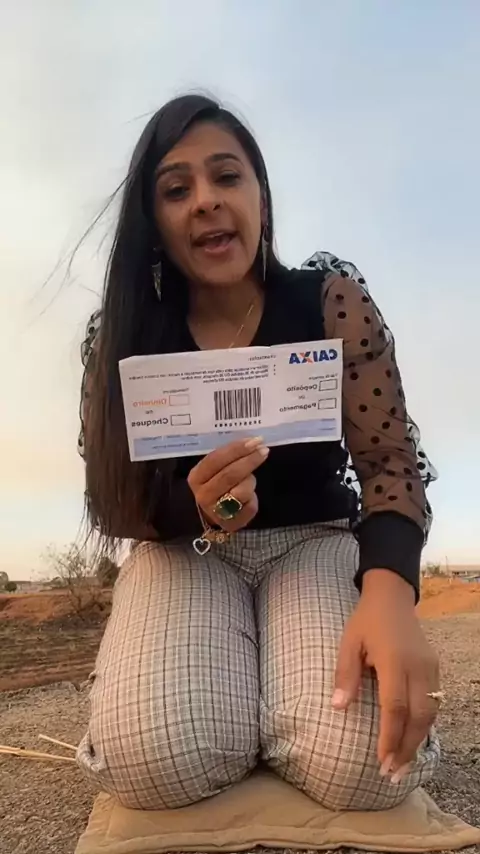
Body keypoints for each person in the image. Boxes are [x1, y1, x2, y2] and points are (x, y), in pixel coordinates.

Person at [76, 94, 441, 813]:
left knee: (369, 768)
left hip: (314, 543)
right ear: (154, 224)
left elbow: (390, 461)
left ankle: (265, 704)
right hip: (185, 551)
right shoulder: (125, 332)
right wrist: (196, 507)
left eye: (226, 176)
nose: (205, 200)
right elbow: (110, 497)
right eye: (176, 189)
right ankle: (215, 699)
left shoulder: (331, 304)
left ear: (261, 200)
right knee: (154, 758)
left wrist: (390, 591)